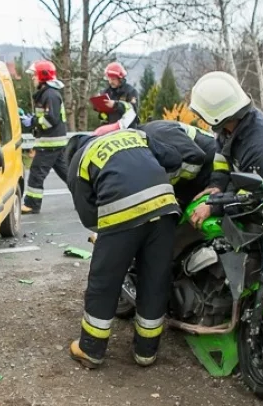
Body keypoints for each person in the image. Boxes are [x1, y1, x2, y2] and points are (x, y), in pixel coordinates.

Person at [63, 128, 181, 369]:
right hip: (166, 209)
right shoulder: (134, 135)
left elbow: (88, 216)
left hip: (121, 213)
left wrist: (112, 240)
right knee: (155, 281)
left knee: (104, 282)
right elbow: (174, 158)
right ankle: (146, 353)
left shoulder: (79, 160)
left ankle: (91, 350)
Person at [185, 71, 263, 226]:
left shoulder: (261, 145)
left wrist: (213, 207)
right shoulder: (228, 128)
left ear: (216, 115)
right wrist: (216, 185)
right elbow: (222, 161)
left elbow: (252, 197)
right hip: (250, 191)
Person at [21, 60, 69, 213]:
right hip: (54, 142)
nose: (32, 78)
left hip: (50, 143)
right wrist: (32, 119)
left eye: (34, 75)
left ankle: (32, 204)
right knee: (68, 174)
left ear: (42, 76)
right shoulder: (48, 93)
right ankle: (90, 197)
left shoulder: (50, 94)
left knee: (36, 173)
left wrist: (33, 122)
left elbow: (51, 119)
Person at [94, 62, 140, 131]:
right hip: (109, 130)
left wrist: (115, 105)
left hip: (127, 130)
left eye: (113, 79)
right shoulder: (105, 92)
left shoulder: (130, 91)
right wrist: (97, 106)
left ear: (120, 79)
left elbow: (133, 109)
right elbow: (103, 115)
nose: (110, 82)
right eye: (109, 79)